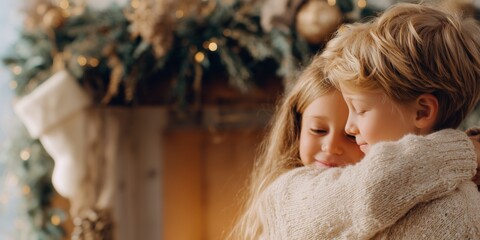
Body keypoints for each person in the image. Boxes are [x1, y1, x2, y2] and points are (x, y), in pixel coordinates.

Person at [229, 3, 480, 239]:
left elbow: (376, 187)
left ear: (422, 112)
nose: (350, 126)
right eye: (317, 129)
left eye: (359, 109)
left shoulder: (460, 210)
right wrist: (461, 148)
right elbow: (373, 188)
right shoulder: (295, 191)